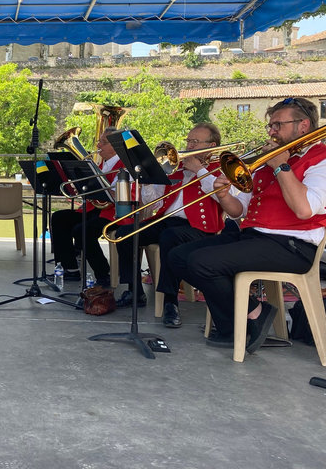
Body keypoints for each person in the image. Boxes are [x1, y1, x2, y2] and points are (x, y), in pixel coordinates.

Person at [169, 98, 326, 352]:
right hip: (253, 236)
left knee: (203, 262)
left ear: (303, 125)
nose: (271, 131)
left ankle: (247, 320)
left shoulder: (320, 158)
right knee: (178, 257)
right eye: (271, 126)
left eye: (278, 125)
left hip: (292, 245)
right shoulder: (267, 161)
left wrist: (281, 166)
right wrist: (223, 195)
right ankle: (248, 318)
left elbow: (304, 209)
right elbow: (238, 210)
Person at [114, 123, 229, 314]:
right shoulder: (176, 169)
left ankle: (170, 301)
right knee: (125, 233)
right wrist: (147, 177)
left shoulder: (221, 168)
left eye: (195, 141)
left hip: (200, 228)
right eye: (188, 140)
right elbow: (154, 202)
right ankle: (135, 291)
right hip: (166, 221)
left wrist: (199, 170)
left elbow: (220, 197)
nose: (189, 145)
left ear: (211, 145)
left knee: (170, 237)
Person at [50, 126, 123, 286]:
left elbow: (114, 195)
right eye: (99, 141)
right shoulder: (103, 164)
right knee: (59, 218)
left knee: (82, 231)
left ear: (116, 146)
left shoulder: (123, 165)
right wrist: (84, 186)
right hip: (95, 209)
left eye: (103, 143)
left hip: (114, 213)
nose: (98, 146)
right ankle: (70, 269)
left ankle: (103, 273)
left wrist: (94, 187)